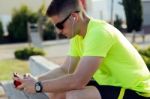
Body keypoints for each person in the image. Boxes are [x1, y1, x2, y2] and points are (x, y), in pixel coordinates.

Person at [13, 0, 150, 99]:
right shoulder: (78, 35)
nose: (58, 31)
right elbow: (65, 70)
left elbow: (78, 81)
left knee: (76, 95)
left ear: (74, 17)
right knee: (57, 92)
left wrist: (38, 86)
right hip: (115, 87)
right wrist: (33, 80)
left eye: (60, 25)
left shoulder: (99, 33)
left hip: (138, 92)